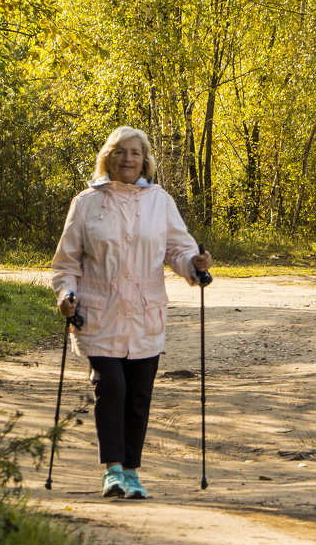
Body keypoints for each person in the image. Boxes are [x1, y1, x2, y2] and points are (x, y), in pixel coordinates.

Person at [51, 126, 214, 499]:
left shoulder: (160, 201)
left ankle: (132, 472)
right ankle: (113, 471)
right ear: (108, 157)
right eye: (121, 152)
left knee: (139, 395)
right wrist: (66, 294)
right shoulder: (86, 203)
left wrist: (196, 263)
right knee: (112, 388)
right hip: (98, 314)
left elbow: (178, 250)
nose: (128, 159)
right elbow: (66, 264)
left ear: (145, 160)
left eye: (135, 153)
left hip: (145, 314)